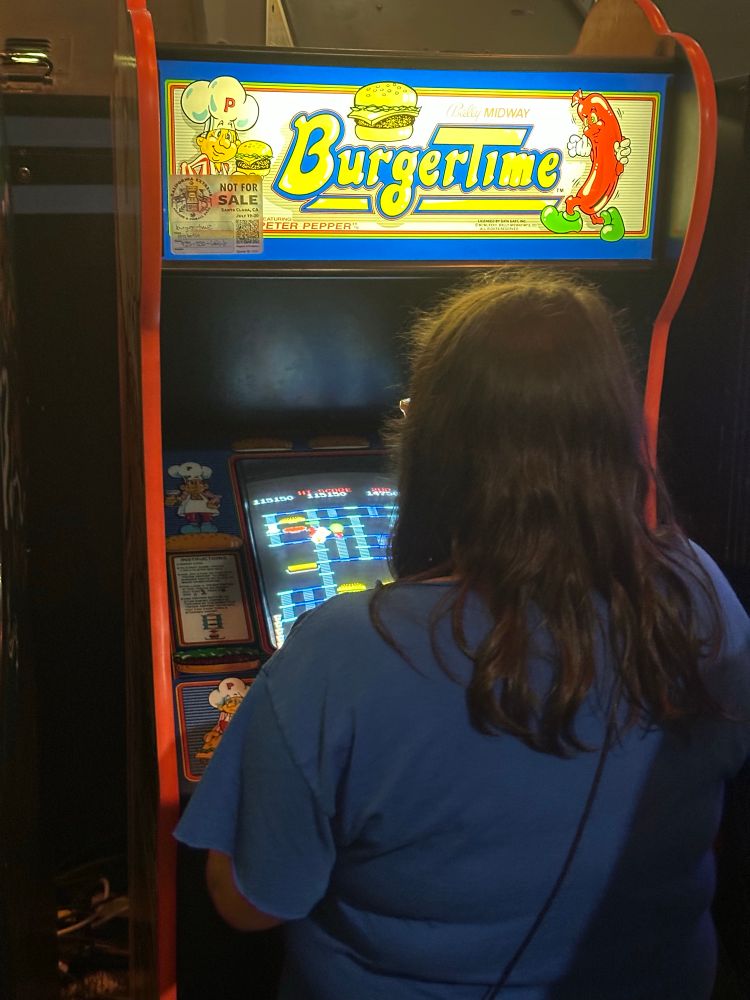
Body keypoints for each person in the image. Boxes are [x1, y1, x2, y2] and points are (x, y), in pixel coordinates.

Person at [175, 271, 750, 999]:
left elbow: (250, 903)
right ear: (615, 431)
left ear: (435, 448)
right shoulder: (697, 595)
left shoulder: (341, 654)